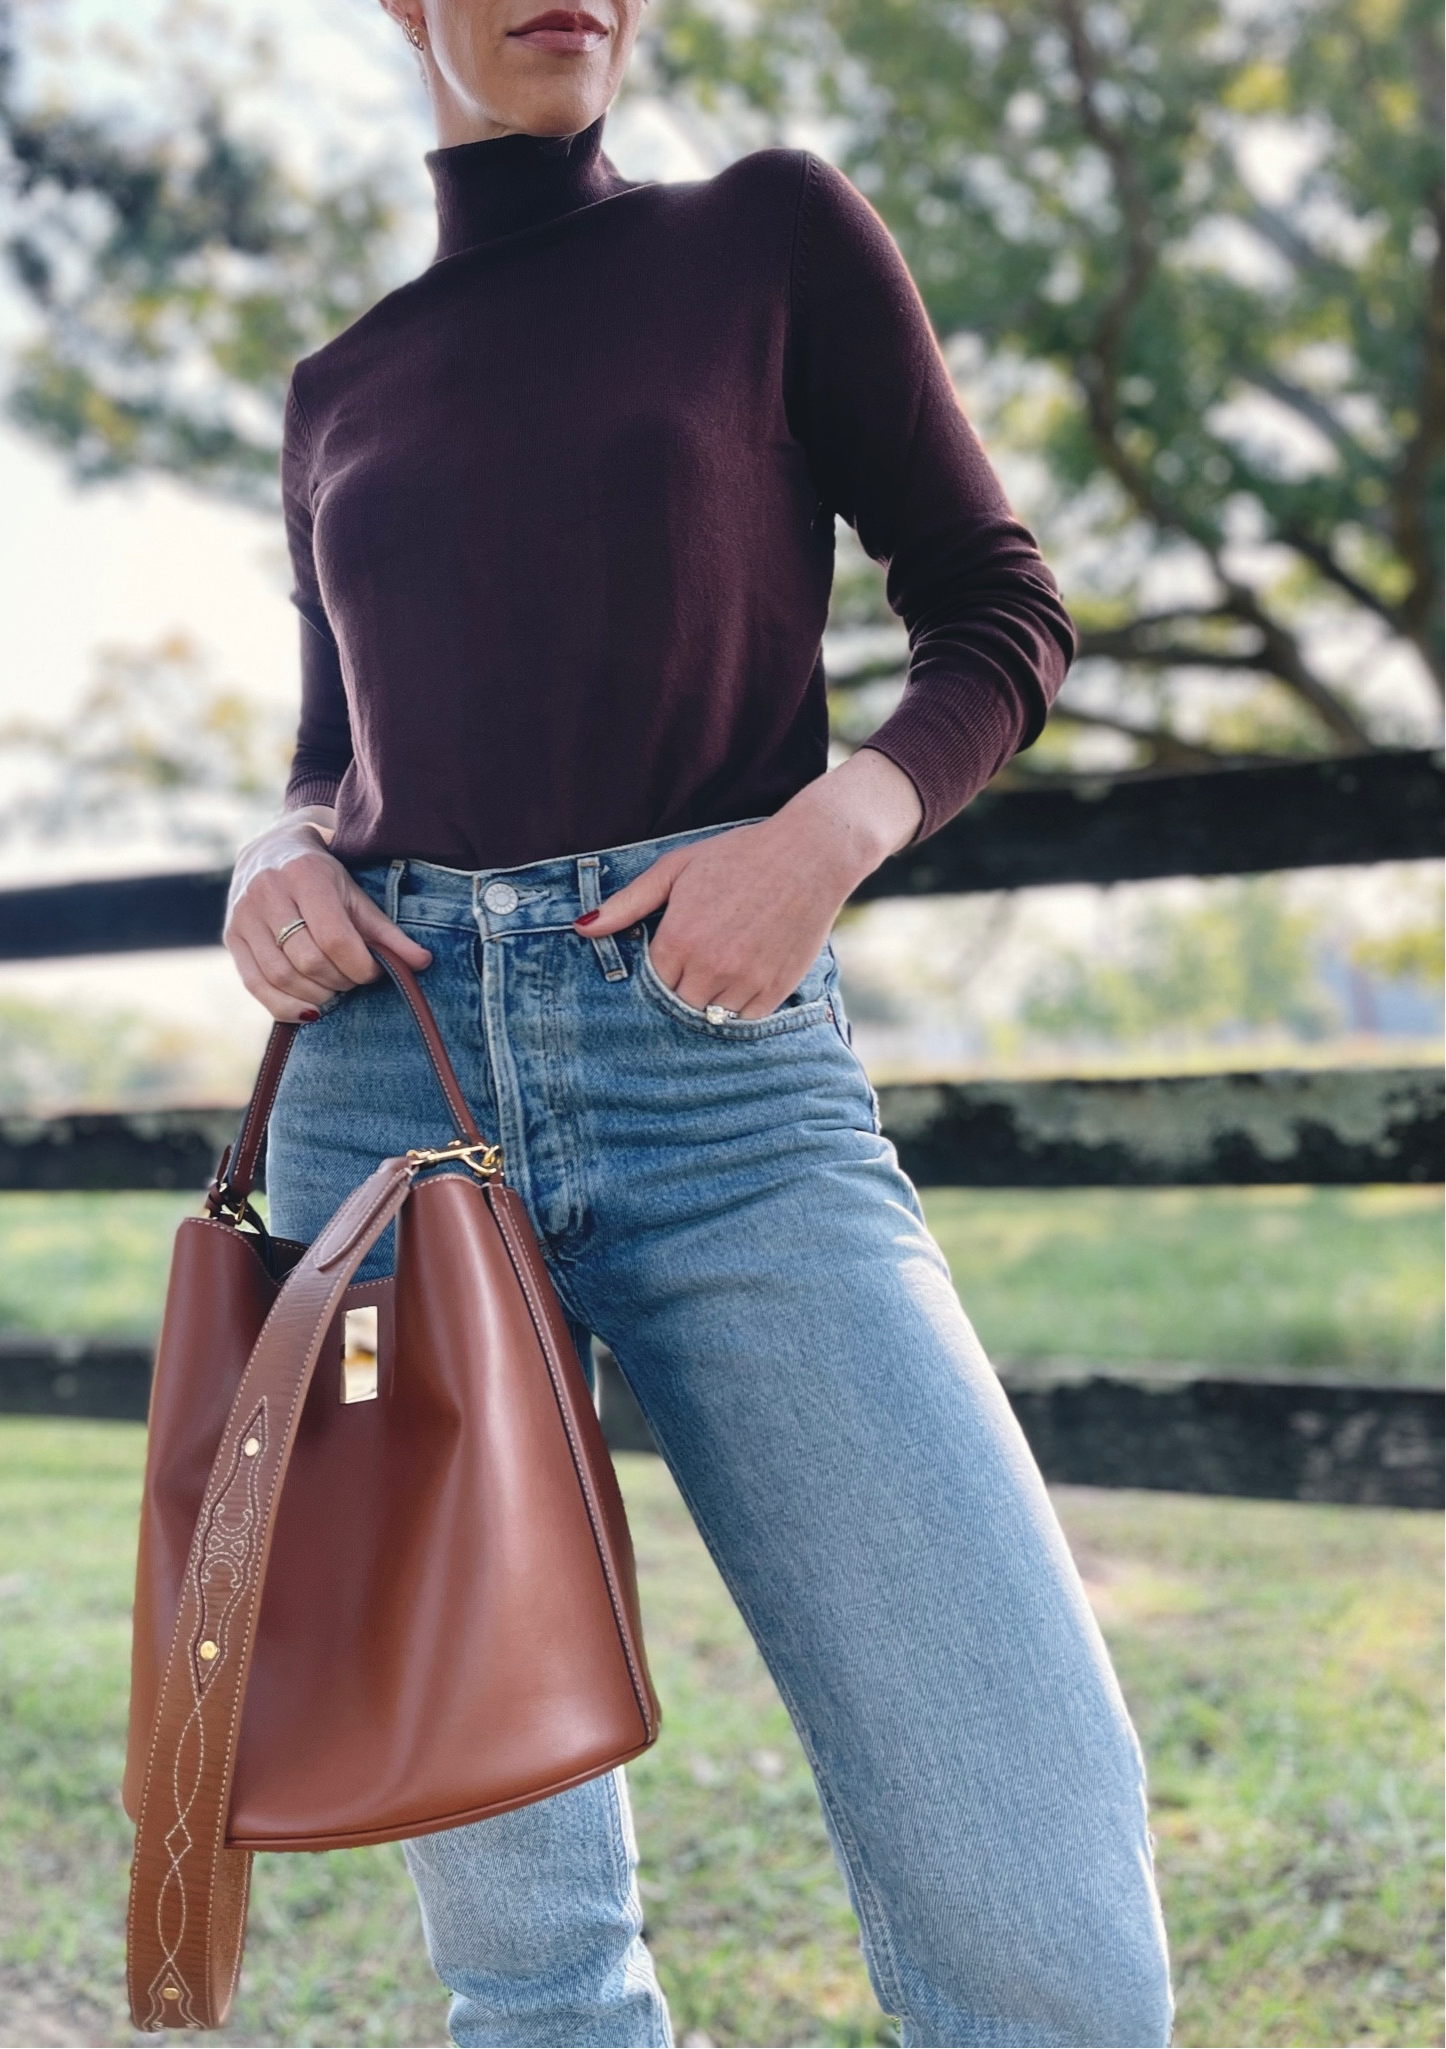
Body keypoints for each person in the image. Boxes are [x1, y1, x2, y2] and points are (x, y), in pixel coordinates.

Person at [221, 1, 1175, 2042]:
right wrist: (267, 853)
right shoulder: (337, 386)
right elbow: (330, 752)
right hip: (386, 1105)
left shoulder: (764, 235)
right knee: (524, 1936)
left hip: (714, 1070)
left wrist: (824, 833)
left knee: (1031, 1862)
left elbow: (996, 604)